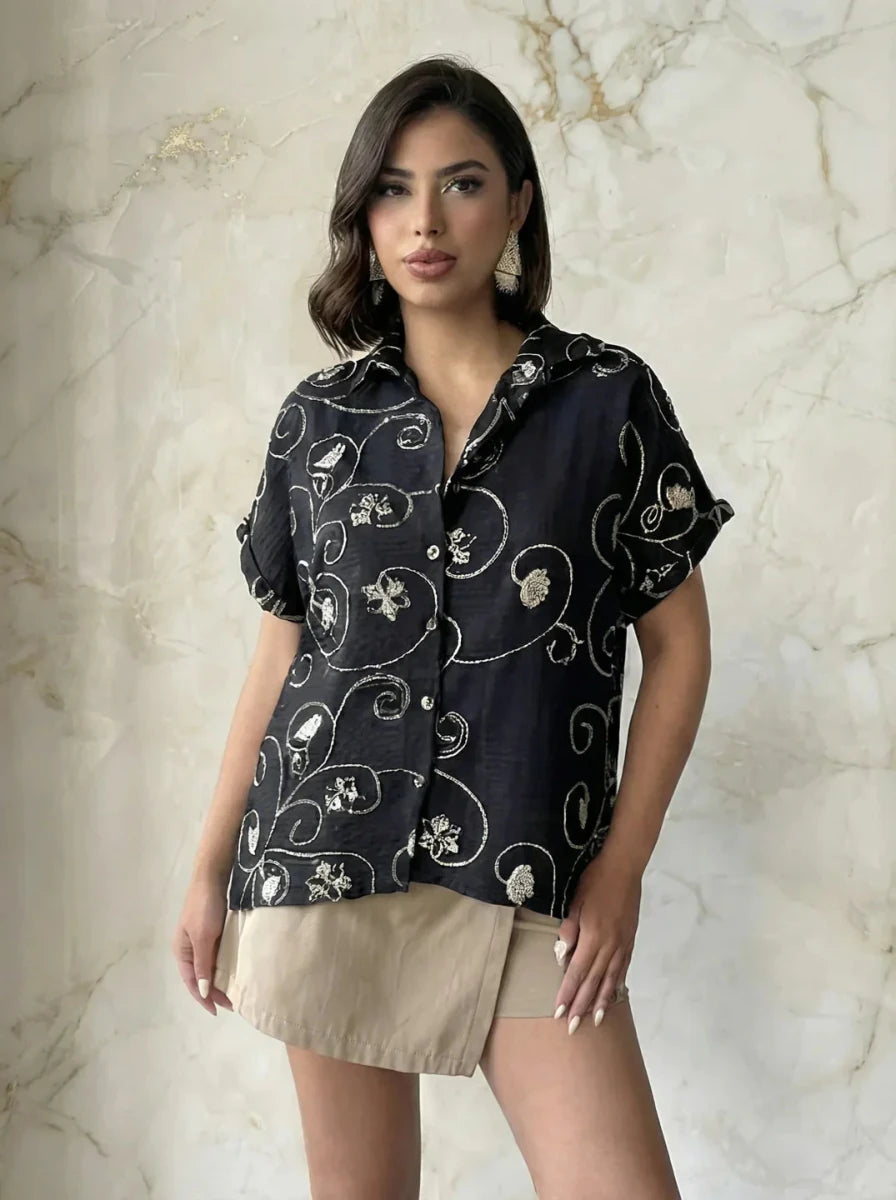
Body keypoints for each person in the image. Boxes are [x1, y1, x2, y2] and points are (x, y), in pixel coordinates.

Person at [172, 53, 735, 1200]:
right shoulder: (317, 422)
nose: (423, 219)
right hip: (327, 858)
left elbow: (676, 644)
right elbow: (281, 654)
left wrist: (619, 868)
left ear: (516, 204)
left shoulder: (604, 401)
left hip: (527, 870)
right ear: (361, 218)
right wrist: (204, 868)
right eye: (390, 188)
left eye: (461, 183)